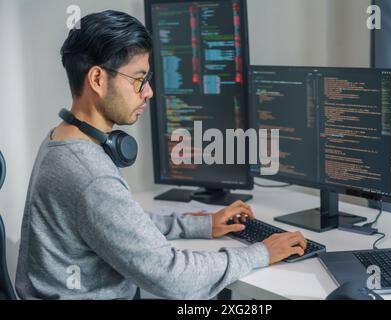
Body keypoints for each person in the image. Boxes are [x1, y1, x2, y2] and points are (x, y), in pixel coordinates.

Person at [15, 10, 307, 300]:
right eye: (139, 78)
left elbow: (123, 224)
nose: (149, 92)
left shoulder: (60, 138)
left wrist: (202, 225)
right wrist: (262, 252)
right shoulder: (92, 176)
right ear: (97, 79)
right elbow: (175, 279)